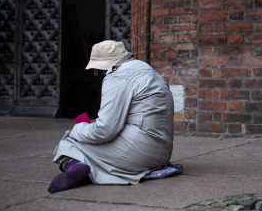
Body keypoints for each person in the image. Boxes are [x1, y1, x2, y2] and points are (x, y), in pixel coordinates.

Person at [48, 40, 176, 193]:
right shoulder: (147, 70)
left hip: (139, 154)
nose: (97, 75)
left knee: (67, 143)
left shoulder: (117, 76)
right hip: (162, 154)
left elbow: (105, 130)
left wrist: (78, 129)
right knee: (90, 141)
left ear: (103, 66)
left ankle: (77, 167)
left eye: (96, 70)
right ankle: (90, 168)